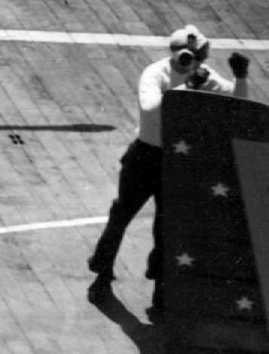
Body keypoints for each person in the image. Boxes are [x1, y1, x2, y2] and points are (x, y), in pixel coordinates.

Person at [87, 27, 249, 291]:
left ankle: (161, 286)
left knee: (167, 226)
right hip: (147, 156)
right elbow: (151, 111)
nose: (195, 62)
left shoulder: (205, 77)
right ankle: (102, 271)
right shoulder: (155, 73)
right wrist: (189, 85)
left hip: (177, 160)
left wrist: (240, 77)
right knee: (121, 216)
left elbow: (237, 104)